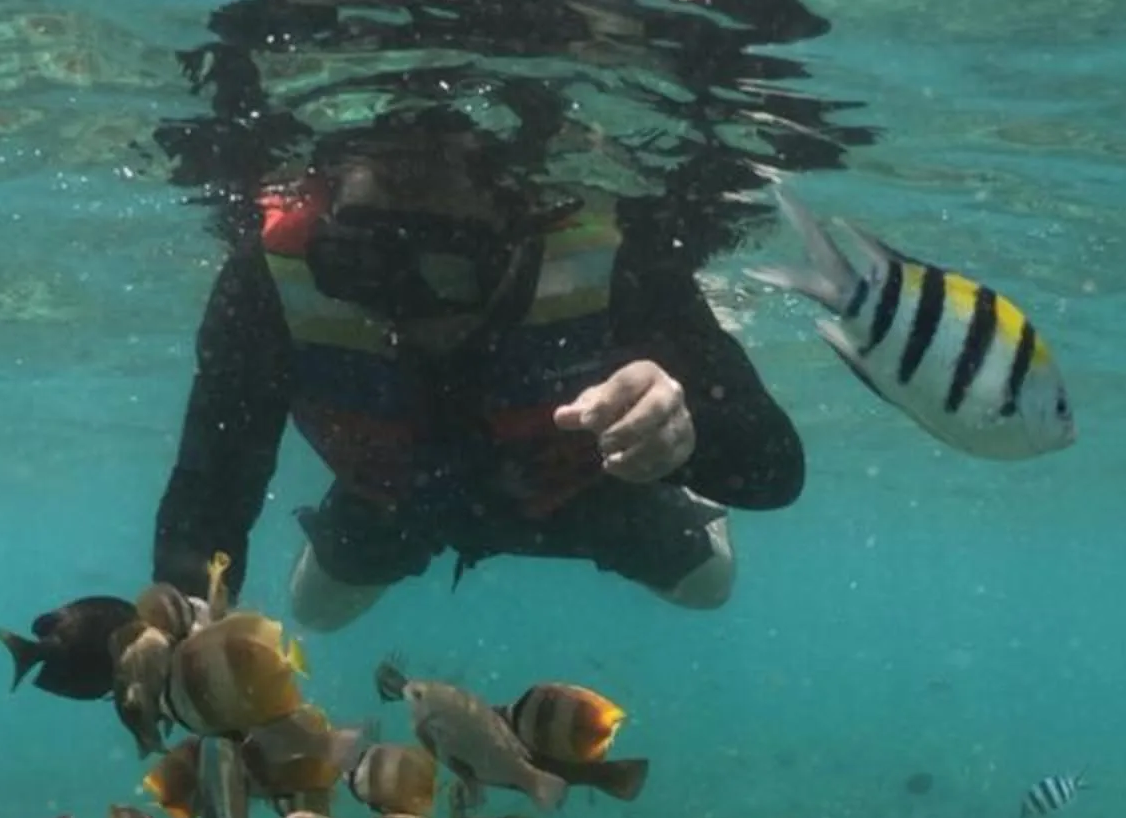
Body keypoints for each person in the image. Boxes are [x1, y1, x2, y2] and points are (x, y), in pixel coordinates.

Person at [150, 106, 806, 627]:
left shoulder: (622, 263)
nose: (402, 306)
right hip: (399, 499)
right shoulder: (266, 281)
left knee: (709, 589)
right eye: (360, 264)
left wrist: (684, 435)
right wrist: (188, 611)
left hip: (589, 487)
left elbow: (774, 471)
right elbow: (215, 477)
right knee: (312, 616)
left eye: (447, 270)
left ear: (522, 225)